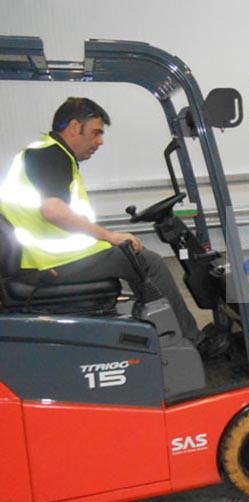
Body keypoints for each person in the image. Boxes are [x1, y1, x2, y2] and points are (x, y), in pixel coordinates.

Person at [0, 97, 228, 358]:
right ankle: (194, 342)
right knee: (148, 262)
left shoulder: (46, 153)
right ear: (74, 127)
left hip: (45, 259)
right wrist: (110, 236)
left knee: (135, 257)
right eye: (96, 133)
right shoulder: (50, 155)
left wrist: (107, 238)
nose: (100, 141)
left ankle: (160, 335)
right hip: (49, 263)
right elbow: (53, 210)